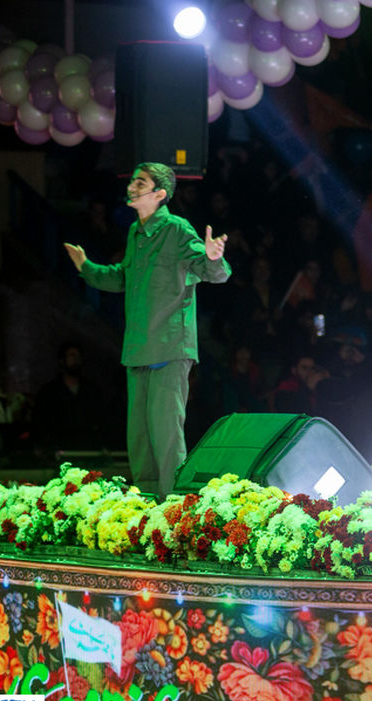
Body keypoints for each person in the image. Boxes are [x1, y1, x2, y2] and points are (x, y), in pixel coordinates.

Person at [63, 162, 231, 497]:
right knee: (139, 439)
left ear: (160, 194)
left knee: (166, 436)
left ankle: (174, 508)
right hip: (138, 349)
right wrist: (87, 267)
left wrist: (213, 257)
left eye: (141, 183)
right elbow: (124, 277)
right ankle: (148, 509)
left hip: (168, 347)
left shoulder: (177, 229)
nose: (132, 187)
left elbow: (215, 272)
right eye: (133, 182)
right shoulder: (136, 232)